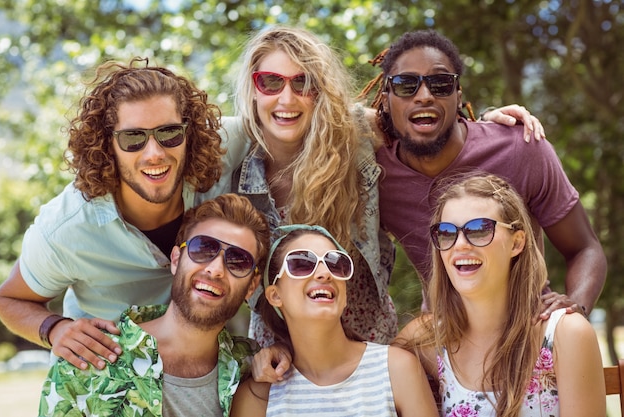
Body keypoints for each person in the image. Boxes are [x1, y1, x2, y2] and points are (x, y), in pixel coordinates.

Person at [226, 25, 543, 346]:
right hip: (278, 349)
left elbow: (426, 124)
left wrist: (485, 124)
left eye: (302, 83)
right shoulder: (233, 174)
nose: (286, 99)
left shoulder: (355, 138)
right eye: (270, 82)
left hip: (367, 346)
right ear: (253, 89)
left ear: (319, 91)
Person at [0, 58, 247, 371]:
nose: (154, 152)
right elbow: (8, 300)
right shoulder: (66, 228)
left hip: (201, 371)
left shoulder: (223, 148)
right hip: (108, 381)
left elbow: (281, 125)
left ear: (190, 133)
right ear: (107, 145)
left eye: (169, 133)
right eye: (133, 138)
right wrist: (55, 329)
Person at [366, 29, 606, 318]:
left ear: (458, 96)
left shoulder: (521, 148)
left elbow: (584, 248)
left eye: (441, 83)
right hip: (446, 341)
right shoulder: (375, 175)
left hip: (530, 330)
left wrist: (575, 308)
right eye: (406, 85)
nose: (424, 96)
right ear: (386, 98)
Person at [38, 193, 271, 417]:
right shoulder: (86, 358)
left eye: (238, 261)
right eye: (203, 248)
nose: (216, 269)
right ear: (176, 260)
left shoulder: (254, 368)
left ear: (251, 287)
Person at [394, 174, 605, 416]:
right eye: (446, 232)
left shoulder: (566, 335)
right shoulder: (427, 340)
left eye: (479, 229)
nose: (460, 244)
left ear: (517, 243)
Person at [230, 224, 438, 417]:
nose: (324, 273)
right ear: (275, 295)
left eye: (335, 264)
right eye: (302, 264)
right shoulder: (257, 397)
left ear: (345, 293)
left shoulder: (397, 369)